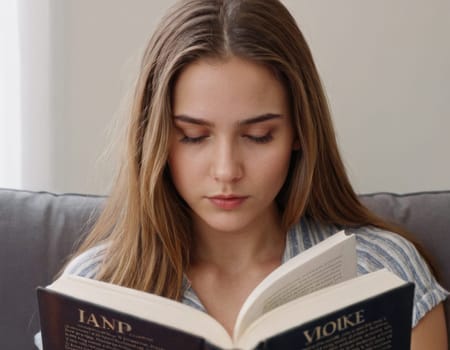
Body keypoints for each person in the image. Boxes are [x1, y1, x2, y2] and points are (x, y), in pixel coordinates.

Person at [36, 0, 448, 348]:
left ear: (300, 132)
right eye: (194, 136)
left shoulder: (383, 273)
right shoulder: (94, 291)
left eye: (258, 135)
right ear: (156, 139)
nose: (227, 170)